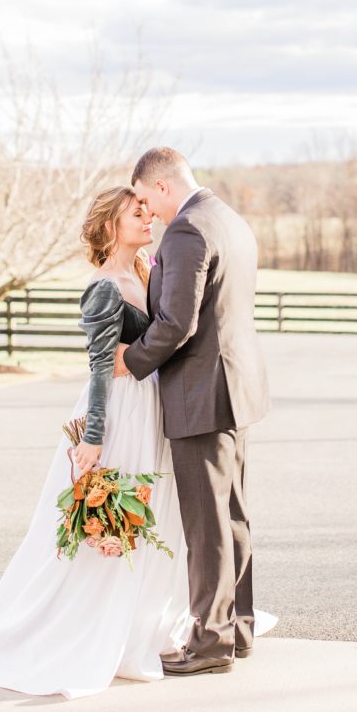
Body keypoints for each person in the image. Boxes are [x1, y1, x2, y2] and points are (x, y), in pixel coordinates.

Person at [0, 182, 277, 699]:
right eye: (135, 212)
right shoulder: (104, 287)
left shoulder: (146, 271)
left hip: (157, 408)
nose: (147, 217)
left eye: (147, 208)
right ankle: (93, 620)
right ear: (110, 226)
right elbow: (99, 369)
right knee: (118, 521)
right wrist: (92, 438)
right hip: (120, 416)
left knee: (161, 518)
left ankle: (153, 616)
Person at [111, 147, 272, 676]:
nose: (147, 212)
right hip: (235, 390)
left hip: (201, 394)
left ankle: (209, 644)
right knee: (233, 517)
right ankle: (237, 629)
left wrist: (130, 362)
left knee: (207, 525)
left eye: (143, 198)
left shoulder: (185, 230)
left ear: (160, 186)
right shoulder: (228, 219)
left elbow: (177, 323)